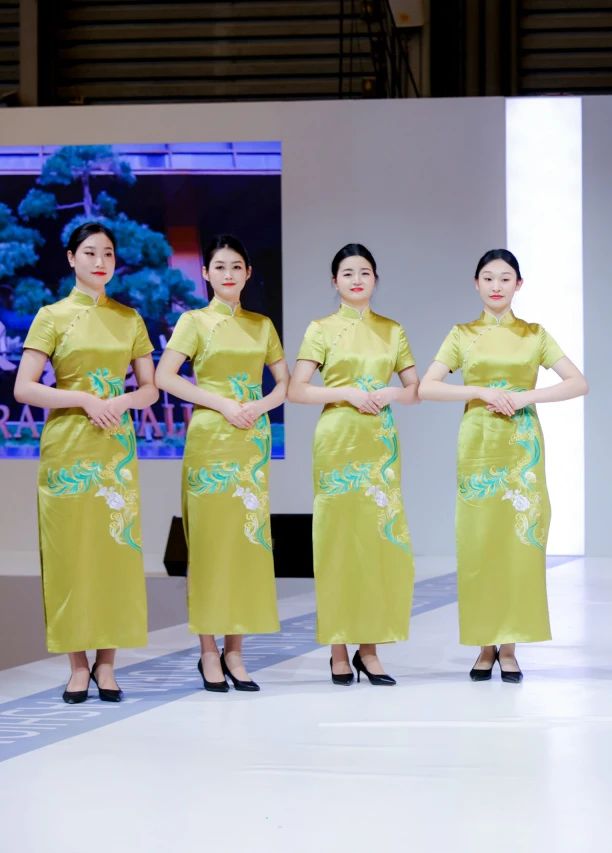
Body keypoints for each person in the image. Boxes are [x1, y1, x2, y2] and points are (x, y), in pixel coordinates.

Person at [419, 249, 588, 683]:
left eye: (505, 278)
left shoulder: (534, 334)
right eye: (489, 278)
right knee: (479, 543)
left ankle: (509, 646)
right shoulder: (462, 334)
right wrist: (478, 391)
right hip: (477, 446)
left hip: (521, 448)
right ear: (476, 283)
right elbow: (427, 387)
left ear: (519, 285)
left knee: (517, 544)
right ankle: (484, 644)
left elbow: (578, 382)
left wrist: (525, 396)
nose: (497, 286)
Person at [14, 222, 158, 703]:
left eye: (108, 253)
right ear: (71, 257)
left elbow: (150, 389)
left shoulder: (129, 318)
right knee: (70, 554)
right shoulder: (51, 316)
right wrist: (82, 398)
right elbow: (24, 387)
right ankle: (78, 665)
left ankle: (108, 663)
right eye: (91, 252)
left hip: (115, 448)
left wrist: (121, 401)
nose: (101, 261)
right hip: (68, 447)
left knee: (114, 551)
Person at [155, 234, 288, 692]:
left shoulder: (262, 325)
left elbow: (284, 384)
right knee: (210, 545)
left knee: (246, 543)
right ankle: (208, 652)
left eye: (236, 266)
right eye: (219, 267)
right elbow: (165, 376)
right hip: (211, 439)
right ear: (206, 274)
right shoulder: (193, 322)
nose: (228, 274)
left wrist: (259, 406)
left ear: (248, 273)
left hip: (250, 441)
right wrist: (222, 404)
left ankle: (236, 651)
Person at [288, 244, 419, 686]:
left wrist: (390, 393)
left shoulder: (392, 330)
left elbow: (415, 389)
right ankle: (338, 649)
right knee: (339, 542)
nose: (357, 279)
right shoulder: (321, 329)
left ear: (375, 279)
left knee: (378, 543)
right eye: (347, 273)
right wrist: (345, 393)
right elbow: (297, 390)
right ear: (335, 281)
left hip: (379, 444)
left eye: (364, 272)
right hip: (338, 441)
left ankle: (370, 649)